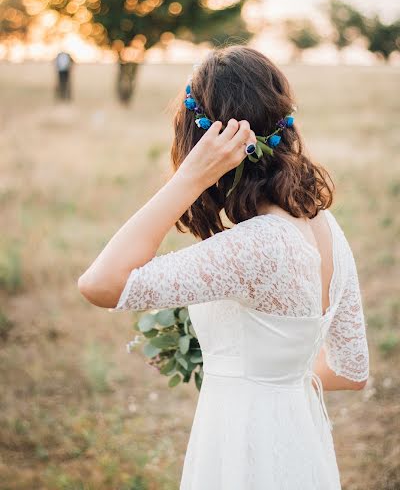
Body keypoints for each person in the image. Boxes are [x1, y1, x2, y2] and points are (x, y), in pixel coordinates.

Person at [78, 45, 369, 489]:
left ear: (203, 144)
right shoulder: (324, 225)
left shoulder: (256, 246)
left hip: (244, 450)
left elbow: (101, 284)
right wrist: (268, 370)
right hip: (299, 445)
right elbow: (351, 372)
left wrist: (189, 179)